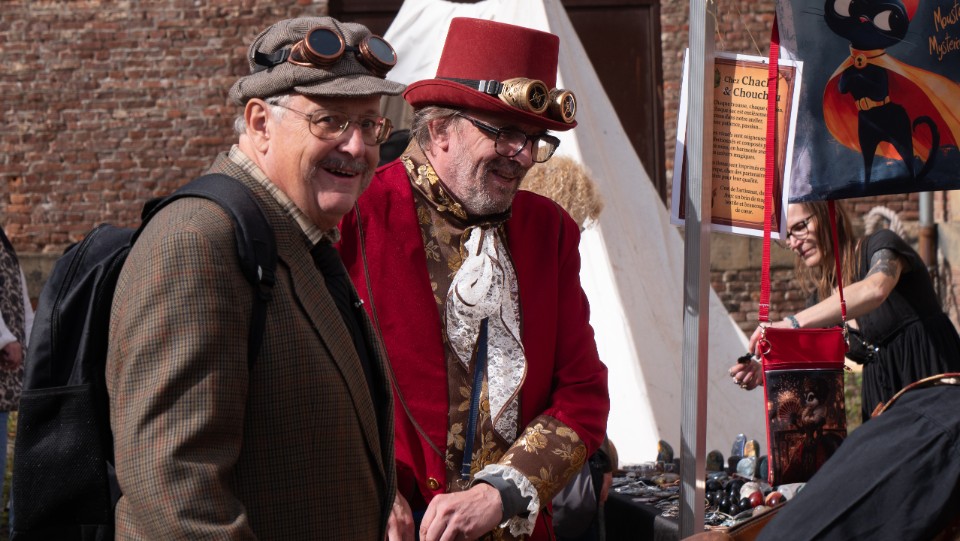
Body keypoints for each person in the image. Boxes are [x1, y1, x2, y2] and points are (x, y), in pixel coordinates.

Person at [106, 16, 404, 539]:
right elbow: (175, 500)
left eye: (368, 125)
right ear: (261, 123)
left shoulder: (296, 236)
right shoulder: (197, 241)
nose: (357, 147)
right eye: (330, 121)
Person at [337, 17, 610, 541]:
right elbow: (309, 382)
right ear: (440, 129)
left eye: (535, 140)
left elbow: (583, 393)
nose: (524, 156)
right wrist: (372, 485)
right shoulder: (357, 215)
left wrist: (500, 492)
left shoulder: (550, 231)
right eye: (505, 134)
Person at [730, 200, 960, 421]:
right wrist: (765, 371)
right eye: (787, 236)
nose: (794, 243)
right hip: (882, 403)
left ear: (831, 215)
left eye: (800, 227)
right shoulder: (820, 302)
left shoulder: (881, 245)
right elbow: (808, 369)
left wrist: (792, 323)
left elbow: (876, 288)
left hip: (930, 376)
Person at [0, 225, 33, 524]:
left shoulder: (4, 242)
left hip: (11, 364)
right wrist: (4, 339)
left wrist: (35, 344)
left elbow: (21, 297)